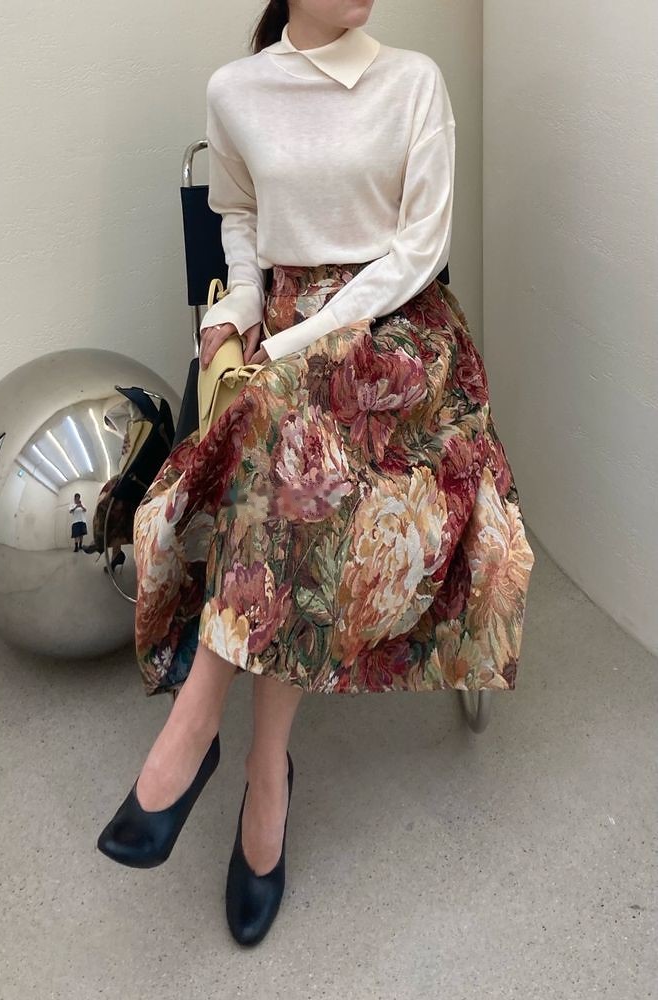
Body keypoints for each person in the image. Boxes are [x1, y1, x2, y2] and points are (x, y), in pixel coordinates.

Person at [97, 0, 536, 947]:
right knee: (293, 461)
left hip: (401, 338)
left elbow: (418, 249)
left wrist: (297, 343)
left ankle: (197, 730)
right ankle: (267, 769)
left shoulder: (412, 81)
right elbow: (241, 220)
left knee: (285, 437)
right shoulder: (237, 91)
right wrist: (235, 316)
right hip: (287, 342)